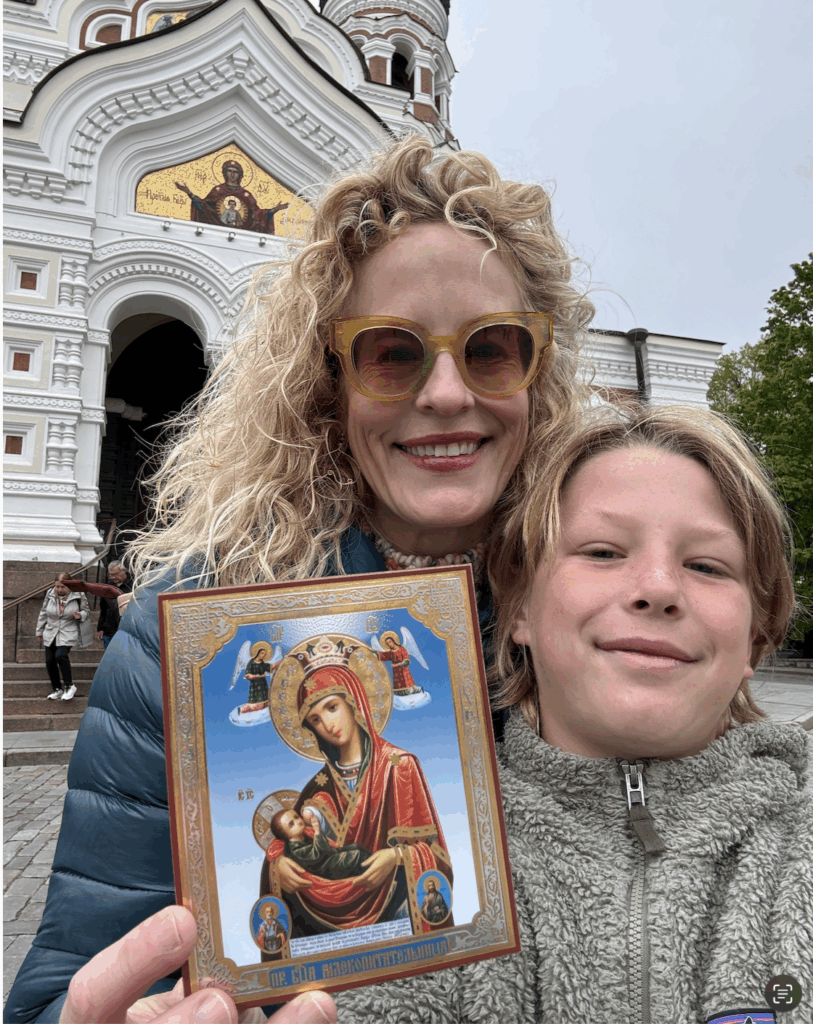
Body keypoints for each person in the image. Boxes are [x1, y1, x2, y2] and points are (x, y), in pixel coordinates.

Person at [5, 134, 592, 1023]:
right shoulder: (193, 631)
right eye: (391, 353)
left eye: (492, 349)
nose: (443, 394)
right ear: (330, 382)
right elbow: (64, 983)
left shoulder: (599, 613)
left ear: (535, 374)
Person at [333, 405, 812, 1023]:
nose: (659, 587)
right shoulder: (419, 848)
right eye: (604, 551)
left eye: (706, 565)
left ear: (755, 638)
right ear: (520, 609)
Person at [262, 648, 451, 937]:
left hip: (393, 905)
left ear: (354, 702)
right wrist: (278, 866)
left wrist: (397, 857)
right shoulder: (317, 786)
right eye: (314, 719)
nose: (327, 724)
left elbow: (436, 856)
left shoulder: (399, 767)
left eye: (332, 707)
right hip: (323, 920)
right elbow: (285, 842)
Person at [175, 161, 290, 235]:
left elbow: (257, 215)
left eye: (235, 172)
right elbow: (205, 208)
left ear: (240, 175)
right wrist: (189, 193)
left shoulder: (246, 195)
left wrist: (275, 209)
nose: (232, 174)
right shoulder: (217, 191)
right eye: (229, 171)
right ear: (225, 173)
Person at [269, 808, 372, 881]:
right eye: (291, 824)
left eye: (296, 817)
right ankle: (373, 870)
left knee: (355, 847)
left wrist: (318, 834)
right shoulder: (294, 850)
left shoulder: (304, 835)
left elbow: (326, 849)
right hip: (324, 870)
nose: (298, 822)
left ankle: (373, 864)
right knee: (357, 856)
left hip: (328, 858)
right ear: (285, 835)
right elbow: (317, 855)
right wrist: (317, 832)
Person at [35, 572, 90, 702]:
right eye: (57, 586)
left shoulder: (79, 594)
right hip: (51, 631)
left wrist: (80, 615)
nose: (59, 589)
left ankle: (69, 686)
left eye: (62, 587)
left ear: (69, 585)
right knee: (49, 661)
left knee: (60, 655)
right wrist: (39, 631)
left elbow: (86, 611)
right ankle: (57, 689)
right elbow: (43, 612)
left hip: (68, 631)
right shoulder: (50, 593)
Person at [96, 561, 132, 650]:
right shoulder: (108, 586)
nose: (112, 577)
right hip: (109, 629)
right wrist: (100, 628)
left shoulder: (132, 586)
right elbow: (103, 608)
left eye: (115, 574)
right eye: (110, 575)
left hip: (127, 629)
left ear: (124, 571)